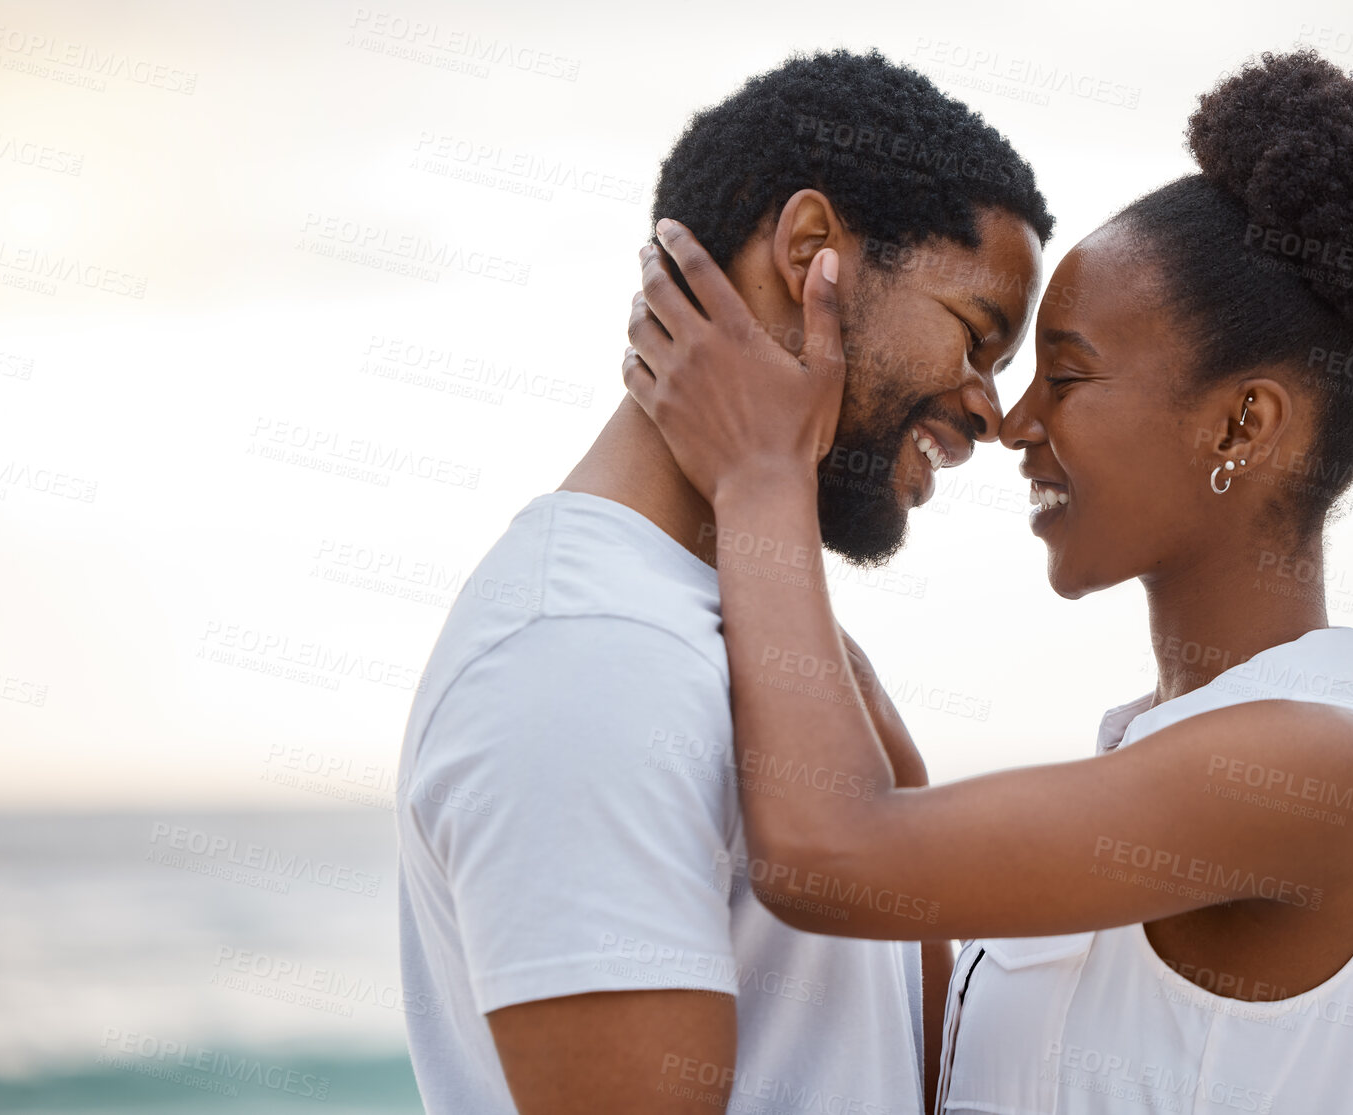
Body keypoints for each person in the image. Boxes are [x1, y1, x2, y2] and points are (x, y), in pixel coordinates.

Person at [622, 50, 1353, 1114]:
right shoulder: (1164, 751)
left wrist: (760, 473)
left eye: (1070, 374)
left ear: (1241, 423)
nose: (1013, 420)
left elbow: (825, 854)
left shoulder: (1315, 764)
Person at [394, 49, 1056, 1114]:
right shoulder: (585, 651)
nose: (987, 408)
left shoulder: (737, 636)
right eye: (977, 337)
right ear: (810, 256)